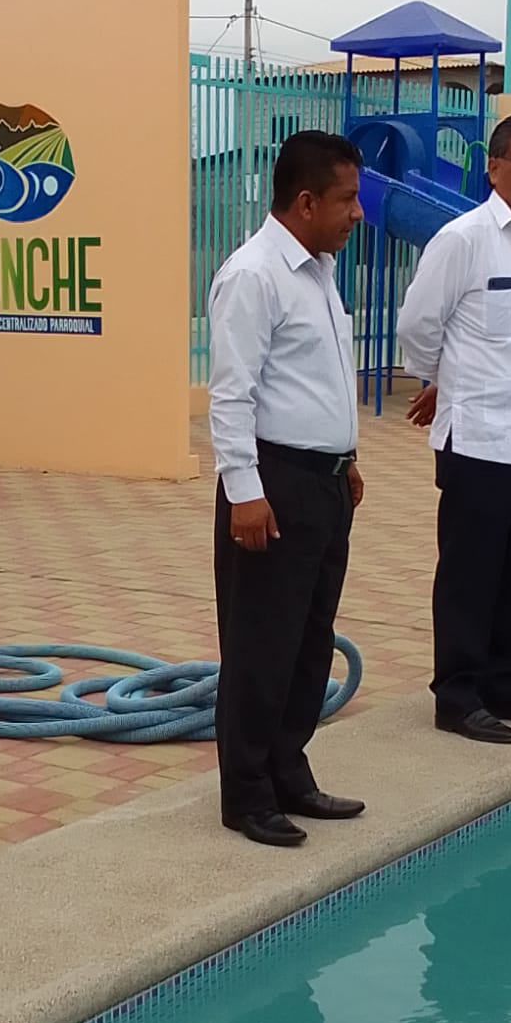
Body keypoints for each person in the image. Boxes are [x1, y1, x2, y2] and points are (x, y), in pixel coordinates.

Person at [208, 130, 365, 847]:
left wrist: (346, 456)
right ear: (305, 202)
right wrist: (244, 490)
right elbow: (232, 394)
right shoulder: (254, 275)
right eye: (346, 199)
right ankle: (246, 793)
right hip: (271, 485)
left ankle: (288, 771)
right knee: (261, 646)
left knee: (308, 641)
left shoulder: (319, 272)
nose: (356, 212)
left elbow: (314, 381)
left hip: (323, 484)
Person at [396, 111, 511, 745]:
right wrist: (447, 378)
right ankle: (457, 695)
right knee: (470, 574)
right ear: (493, 168)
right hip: (479, 439)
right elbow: (417, 326)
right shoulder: (464, 238)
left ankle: (505, 681)